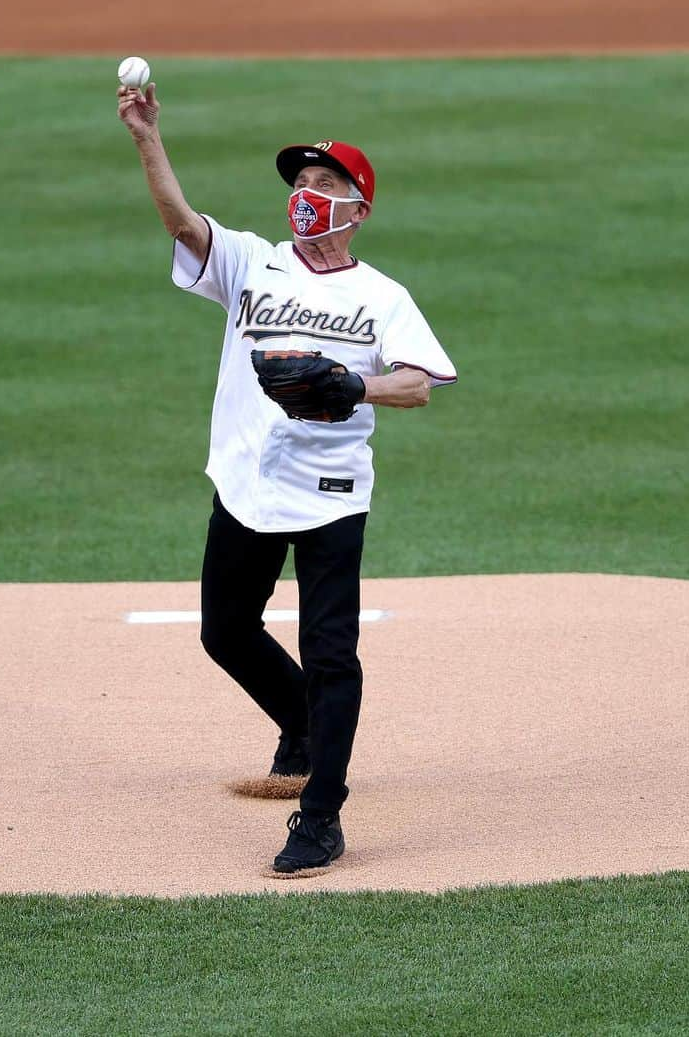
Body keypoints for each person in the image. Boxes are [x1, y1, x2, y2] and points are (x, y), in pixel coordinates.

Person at [118, 80, 457, 876]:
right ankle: (302, 723)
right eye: (300, 185)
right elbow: (179, 220)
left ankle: (323, 815)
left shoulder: (383, 296)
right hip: (245, 481)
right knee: (224, 631)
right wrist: (146, 137)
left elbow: (420, 383)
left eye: (325, 185)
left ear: (359, 208)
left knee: (331, 650)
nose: (306, 196)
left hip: (332, 494)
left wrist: (354, 386)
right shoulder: (250, 264)